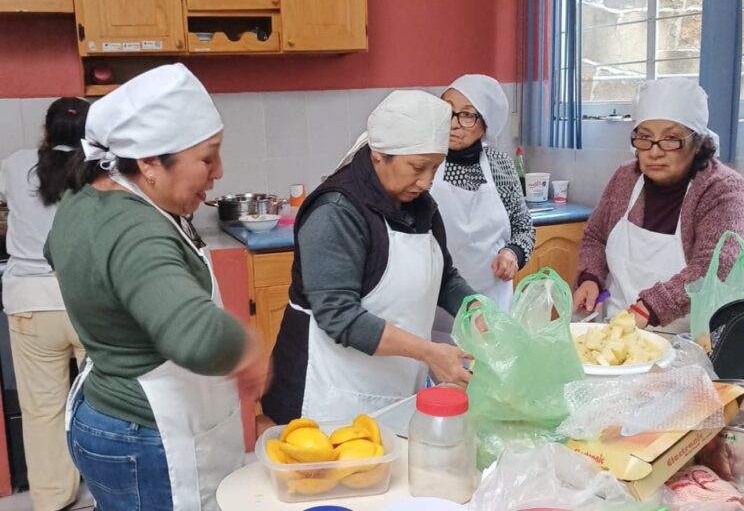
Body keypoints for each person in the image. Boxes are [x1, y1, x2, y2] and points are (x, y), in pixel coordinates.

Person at [44, 64, 269, 510]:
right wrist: (248, 348)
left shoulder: (86, 197)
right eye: (207, 157)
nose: (219, 171)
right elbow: (196, 335)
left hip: (104, 411)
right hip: (147, 435)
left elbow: (56, 251)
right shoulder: (134, 228)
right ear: (148, 162)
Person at [260, 90, 477, 426]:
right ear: (378, 156)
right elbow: (340, 317)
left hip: (393, 387)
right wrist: (429, 352)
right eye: (418, 167)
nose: (427, 181)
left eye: (436, 167)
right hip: (325, 397)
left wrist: (475, 308)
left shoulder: (420, 205)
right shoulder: (336, 212)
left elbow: (444, 276)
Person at [573, 78, 744, 333]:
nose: (654, 152)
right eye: (645, 138)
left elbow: (712, 268)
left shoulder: (723, 189)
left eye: (671, 139)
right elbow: (596, 236)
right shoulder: (626, 177)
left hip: (690, 341)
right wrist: (590, 277)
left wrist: (648, 308)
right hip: (618, 329)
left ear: (698, 142)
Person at [1, 97, 88, 511]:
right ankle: (111, 485)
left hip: (30, 303)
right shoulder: (98, 170)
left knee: (41, 410)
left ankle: (53, 499)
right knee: (106, 399)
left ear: (45, 131)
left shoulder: (17, 164)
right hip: (87, 299)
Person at [430, 74, 534, 337]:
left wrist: (513, 254)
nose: (453, 124)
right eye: (448, 112)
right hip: (436, 305)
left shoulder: (499, 164)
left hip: (492, 302)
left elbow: (523, 227)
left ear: (485, 123)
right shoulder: (427, 162)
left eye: (466, 115)